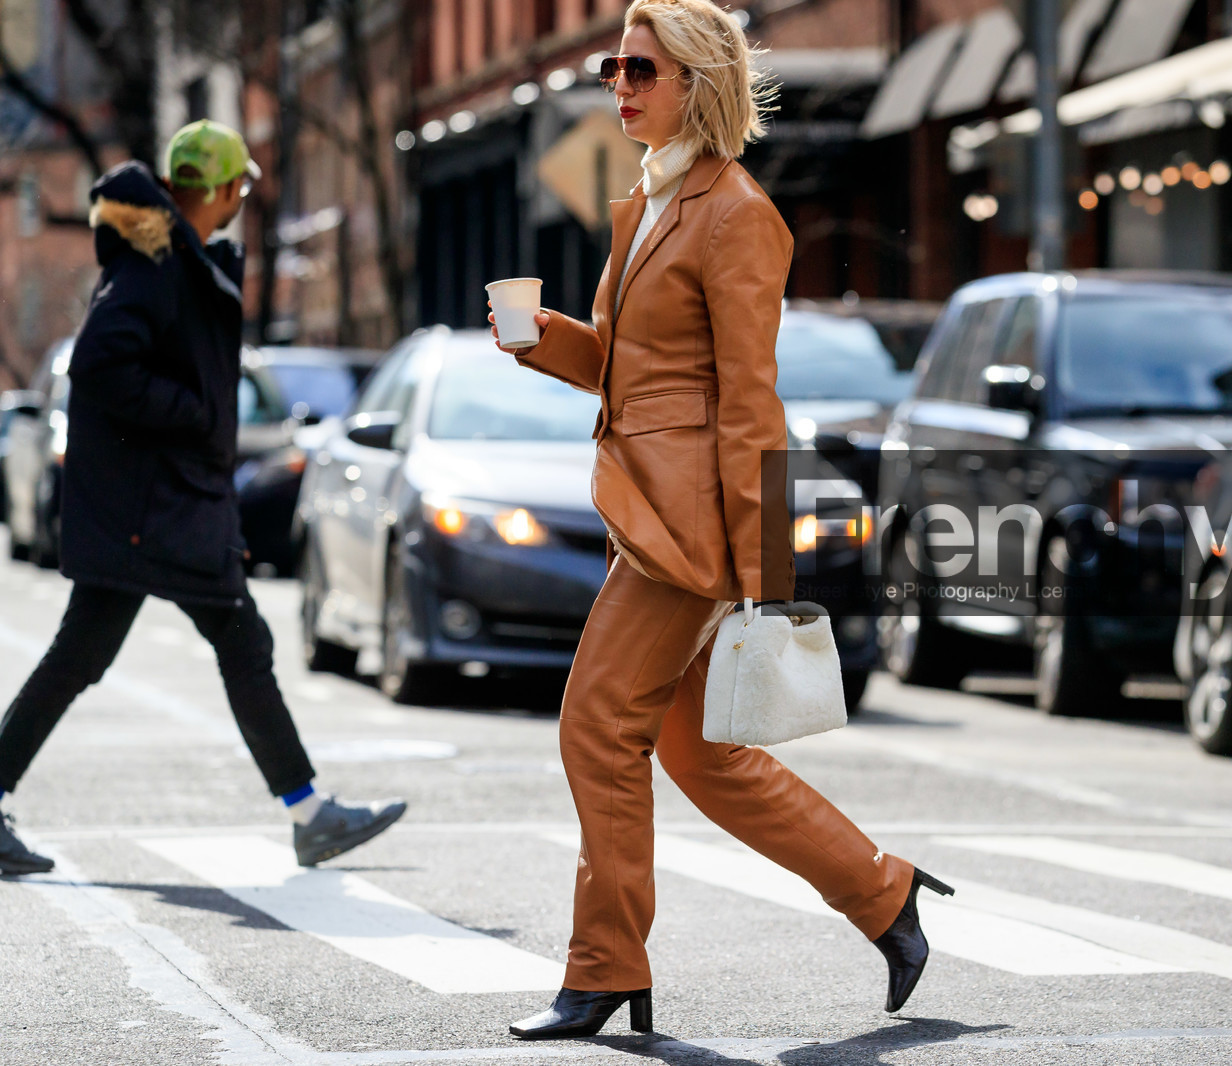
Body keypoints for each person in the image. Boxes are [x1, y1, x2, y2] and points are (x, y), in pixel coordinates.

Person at [489, 0, 951, 1040]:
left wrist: (764, 567)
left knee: (594, 727)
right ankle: (885, 896)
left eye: (640, 69)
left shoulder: (738, 212)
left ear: (696, 81)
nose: (619, 85)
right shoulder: (649, 204)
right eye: (614, 66)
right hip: (647, 508)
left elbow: (750, 403)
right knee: (703, 753)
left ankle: (604, 965)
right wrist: (540, 336)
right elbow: (624, 366)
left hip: (686, 532)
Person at [0, 120, 406, 876]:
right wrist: (190, 413)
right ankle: (310, 814)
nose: (241, 201)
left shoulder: (169, 261)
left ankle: (309, 812)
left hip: (159, 509)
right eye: (240, 187)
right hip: (155, 513)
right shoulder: (155, 268)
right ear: (218, 189)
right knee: (225, 646)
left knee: (104, 653)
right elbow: (97, 366)